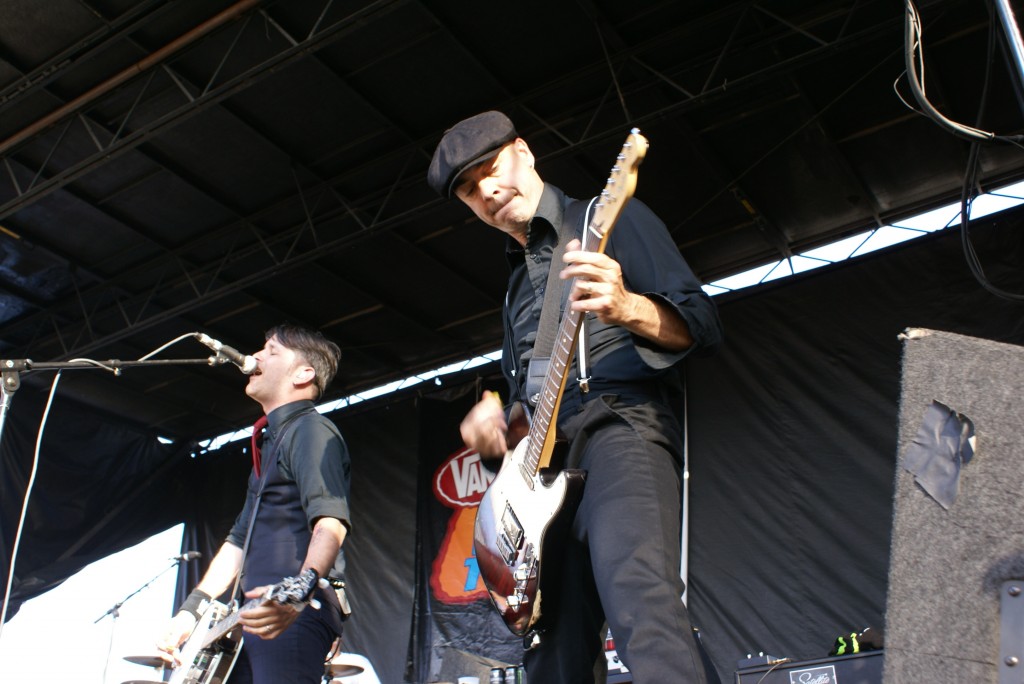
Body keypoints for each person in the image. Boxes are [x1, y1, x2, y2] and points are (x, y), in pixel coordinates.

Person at [428, 111, 723, 684]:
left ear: (524, 151)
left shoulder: (604, 220)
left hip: (618, 428)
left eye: (491, 169)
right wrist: (500, 424)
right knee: (551, 652)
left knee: (639, 602)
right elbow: (526, 402)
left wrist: (627, 306)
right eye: (468, 189)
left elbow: (702, 323)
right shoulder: (513, 286)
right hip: (542, 472)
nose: (486, 191)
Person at [157, 324, 350, 684]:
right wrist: (190, 613)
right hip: (253, 614)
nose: (256, 356)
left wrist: (299, 591)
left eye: (272, 351)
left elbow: (331, 522)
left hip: (289, 610)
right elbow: (238, 541)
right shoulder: (269, 443)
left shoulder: (310, 430)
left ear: (304, 373)